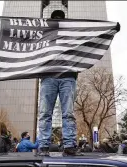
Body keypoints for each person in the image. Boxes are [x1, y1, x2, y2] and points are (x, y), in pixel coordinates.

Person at [37, 9, 82, 157]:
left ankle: (69, 145)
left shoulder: (72, 33)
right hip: (48, 76)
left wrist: (111, 29)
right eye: (55, 18)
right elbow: (22, 34)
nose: (58, 20)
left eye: (60, 18)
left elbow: (92, 35)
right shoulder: (44, 32)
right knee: (45, 113)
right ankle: (43, 145)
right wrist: (1, 28)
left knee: (68, 113)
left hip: (67, 76)